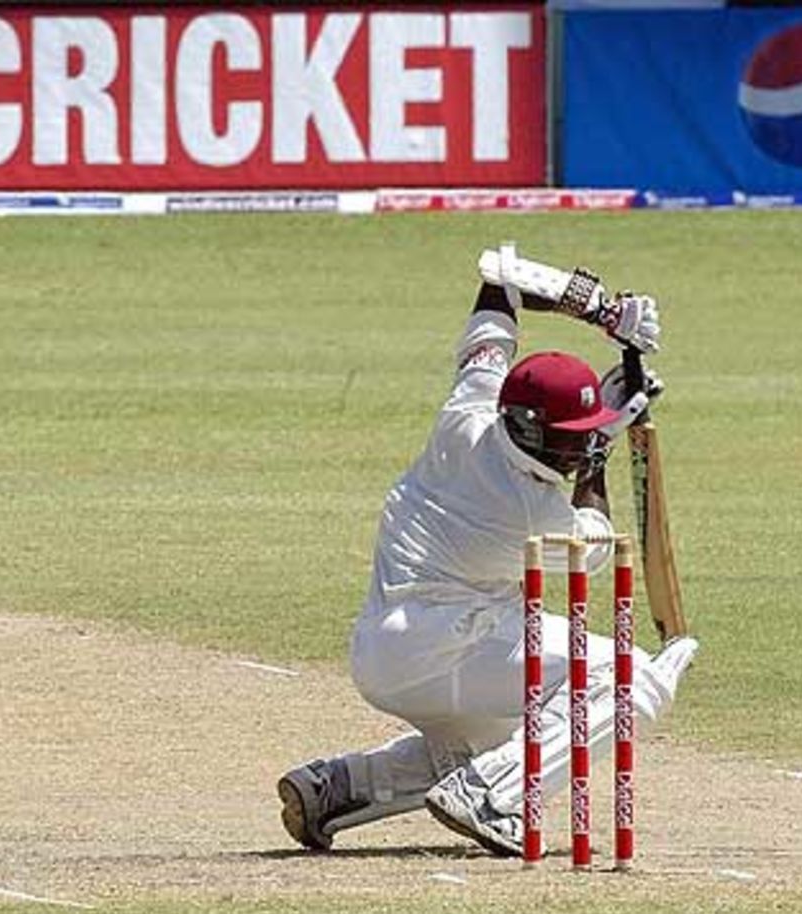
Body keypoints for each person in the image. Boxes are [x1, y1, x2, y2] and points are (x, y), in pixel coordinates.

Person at [277, 245, 700, 857]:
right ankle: (494, 796)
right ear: (531, 432)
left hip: (385, 650)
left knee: (509, 732)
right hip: (452, 645)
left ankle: (339, 787)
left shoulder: (470, 409)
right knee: (634, 680)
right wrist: (604, 444)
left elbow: (497, 286)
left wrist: (601, 310)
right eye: (569, 441)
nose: (576, 451)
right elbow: (594, 547)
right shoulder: (528, 506)